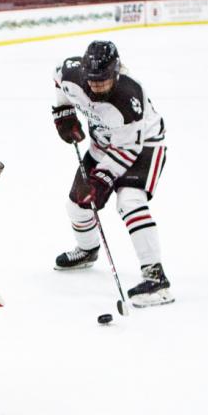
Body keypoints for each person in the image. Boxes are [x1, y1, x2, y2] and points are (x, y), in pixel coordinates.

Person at [49, 40, 173, 307]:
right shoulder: (71, 73)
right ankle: (88, 250)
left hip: (143, 146)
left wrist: (101, 180)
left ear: (116, 72)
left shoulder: (130, 96)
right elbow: (59, 80)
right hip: (103, 142)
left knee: (129, 200)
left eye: (103, 81)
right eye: (92, 81)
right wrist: (64, 112)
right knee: (77, 205)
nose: (96, 87)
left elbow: (129, 149)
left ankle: (156, 278)